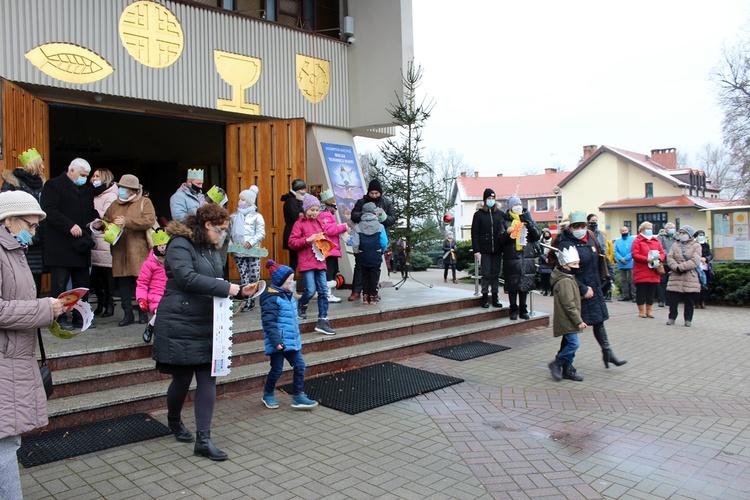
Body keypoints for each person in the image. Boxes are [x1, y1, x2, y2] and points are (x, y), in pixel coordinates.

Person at [153, 203, 259, 461]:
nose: (222, 235)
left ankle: (203, 439)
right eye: (220, 230)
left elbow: (215, 281)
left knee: (208, 377)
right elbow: (186, 278)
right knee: (181, 378)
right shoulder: (180, 244)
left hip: (206, 319)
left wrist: (238, 289)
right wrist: (227, 289)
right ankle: (175, 421)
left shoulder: (210, 249)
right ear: (208, 225)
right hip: (180, 320)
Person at [0, 191, 67, 500]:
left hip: (13, 358)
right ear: (9, 220)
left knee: (8, 442)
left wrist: (50, 310)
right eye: (32, 224)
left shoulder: (14, 250)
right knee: (4, 445)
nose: (35, 230)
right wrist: (43, 309)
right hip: (5, 360)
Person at [556, 211, 626, 369]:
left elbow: (602, 257)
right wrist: (582, 288)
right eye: (576, 226)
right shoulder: (566, 243)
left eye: (582, 226)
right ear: (571, 227)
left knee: (598, 321)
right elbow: (565, 271)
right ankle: (564, 362)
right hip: (578, 291)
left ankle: (607, 353)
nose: (580, 229)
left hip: (595, 287)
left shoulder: (591, 238)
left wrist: (610, 275)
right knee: (572, 327)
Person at [40, 157, 98, 330]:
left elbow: (90, 210)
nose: (85, 179)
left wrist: (97, 221)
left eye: (87, 176)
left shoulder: (86, 191)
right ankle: (59, 318)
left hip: (81, 245)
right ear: (71, 171)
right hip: (61, 245)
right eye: (82, 175)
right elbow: (49, 211)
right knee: (60, 284)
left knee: (82, 284)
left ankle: (81, 317)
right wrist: (69, 226)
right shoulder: (53, 185)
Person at [260, 259, 319, 410]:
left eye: (293, 280)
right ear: (280, 282)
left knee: (300, 366)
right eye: (290, 281)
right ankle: (268, 394)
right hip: (279, 342)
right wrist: (276, 341)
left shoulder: (288, 296)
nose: (293, 284)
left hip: (291, 341)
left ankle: (298, 395)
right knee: (277, 369)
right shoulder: (272, 298)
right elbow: (269, 322)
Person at [101, 174, 156, 327]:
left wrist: (127, 222)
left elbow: (149, 220)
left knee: (141, 282)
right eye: (120, 188)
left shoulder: (145, 202)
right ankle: (127, 314)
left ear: (133, 190)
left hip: (138, 250)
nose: (121, 191)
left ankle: (143, 312)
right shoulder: (114, 204)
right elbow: (106, 219)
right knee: (123, 283)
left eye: (124, 189)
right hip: (119, 250)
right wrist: (102, 225)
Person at [288, 195, 340, 334]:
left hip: (320, 261)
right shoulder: (299, 224)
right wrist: (307, 240)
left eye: (317, 210)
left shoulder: (319, 223)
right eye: (312, 209)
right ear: (305, 209)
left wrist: (325, 242)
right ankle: (302, 304)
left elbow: (326, 236)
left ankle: (323, 319)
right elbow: (292, 242)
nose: (314, 212)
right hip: (306, 262)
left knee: (323, 291)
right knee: (311, 290)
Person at [1, 147, 46, 295]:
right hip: (18, 235)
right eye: (41, 164)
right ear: (34, 165)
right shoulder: (12, 183)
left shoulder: (43, 184)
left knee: (35, 276)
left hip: (38, 236)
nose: (44, 167)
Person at [349, 178, 396, 301]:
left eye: (377, 193)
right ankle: (356, 291)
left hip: (377, 239)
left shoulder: (386, 202)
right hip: (363, 238)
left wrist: (382, 217)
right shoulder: (361, 202)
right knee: (359, 267)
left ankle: (373, 291)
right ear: (368, 192)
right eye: (372, 193)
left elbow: (392, 219)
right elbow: (353, 216)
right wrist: (366, 215)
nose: (374, 196)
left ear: (380, 193)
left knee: (375, 268)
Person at [547, 245, 586, 382]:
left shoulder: (568, 278)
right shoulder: (564, 281)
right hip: (567, 319)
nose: (577, 266)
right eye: (574, 264)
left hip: (569, 318)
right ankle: (557, 363)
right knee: (573, 344)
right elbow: (568, 304)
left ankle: (567, 369)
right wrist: (578, 321)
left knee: (570, 343)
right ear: (565, 265)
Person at [499, 196, 541, 320]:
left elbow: (536, 236)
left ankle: (523, 309)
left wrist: (529, 225)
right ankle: (513, 309)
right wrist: (507, 233)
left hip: (526, 256)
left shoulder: (528, 218)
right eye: (515, 204)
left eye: (519, 204)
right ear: (511, 207)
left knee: (525, 284)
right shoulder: (504, 221)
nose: (518, 206)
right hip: (512, 256)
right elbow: (500, 240)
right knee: (512, 284)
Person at [229, 186, 266, 312]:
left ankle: (253, 298)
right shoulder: (233, 216)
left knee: (254, 276)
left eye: (244, 200)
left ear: (250, 202)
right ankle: (247, 301)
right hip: (238, 251)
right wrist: (230, 245)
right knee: (243, 276)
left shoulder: (257, 216)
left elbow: (261, 233)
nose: (241, 202)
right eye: (240, 199)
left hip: (253, 251)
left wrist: (251, 242)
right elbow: (228, 233)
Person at [89, 168, 118, 317]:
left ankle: (109, 304)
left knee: (107, 273)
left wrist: (91, 211)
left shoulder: (112, 194)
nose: (94, 179)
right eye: (93, 176)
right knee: (95, 275)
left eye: (97, 176)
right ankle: (101, 303)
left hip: (104, 236)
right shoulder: (91, 193)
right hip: (93, 237)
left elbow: (109, 214)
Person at [471, 188, 505, 309]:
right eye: (489, 198)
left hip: (497, 249)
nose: (491, 200)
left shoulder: (500, 214)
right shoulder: (479, 214)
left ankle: (495, 296)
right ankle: (484, 297)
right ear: (485, 200)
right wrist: (477, 250)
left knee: (495, 274)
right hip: (484, 250)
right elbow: (474, 233)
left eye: (492, 198)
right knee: (486, 274)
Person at [136, 228, 169, 343]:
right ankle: (150, 327)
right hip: (155, 297)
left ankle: (153, 327)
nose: (162, 260)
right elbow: (142, 283)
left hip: (169, 294)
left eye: (164, 258)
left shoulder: (172, 263)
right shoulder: (149, 265)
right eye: (160, 258)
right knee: (162, 311)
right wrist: (141, 299)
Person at [317, 189, 350, 303]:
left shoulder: (326, 214)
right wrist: (343, 227)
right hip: (329, 247)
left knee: (332, 270)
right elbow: (329, 230)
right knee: (329, 272)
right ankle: (327, 294)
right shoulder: (325, 215)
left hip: (330, 248)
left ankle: (327, 293)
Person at [665, 225, 702, 327]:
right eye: (680, 233)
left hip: (689, 275)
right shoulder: (675, 245)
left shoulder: (696, 246)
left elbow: (695, 260)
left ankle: (688, 319)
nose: (682, 235)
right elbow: (670, 257)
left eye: (684, 233)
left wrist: (681, 267)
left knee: (689, 300)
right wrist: (675, 267)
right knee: (673, 299)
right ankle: (672, 317)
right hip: (675, 275)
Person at [352, 202, 388, 304]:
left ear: (363, 212)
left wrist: (357, 253)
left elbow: (355, 243)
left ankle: (365, 295)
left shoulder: (358, 227)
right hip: (375, 254)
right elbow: (384, 242)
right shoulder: (380, 226)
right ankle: (373, 296)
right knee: (374, 275)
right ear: (374, 212)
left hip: (363, 254)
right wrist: (381, 250)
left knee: (364, 274)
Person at [631, 221, 665, 319]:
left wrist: (659, 258)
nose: (650, 230)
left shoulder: (655, 241)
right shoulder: (638, 241)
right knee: (641, 291)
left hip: (653, 270)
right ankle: (641, 311)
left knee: (651, 291)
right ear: (642, 229)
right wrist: (646, 259)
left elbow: (662, 252)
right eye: (648, 228)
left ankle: (649, 310)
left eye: (651, 228)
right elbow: (635, 254)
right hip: (641, 270)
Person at [280, 178, 306, 274]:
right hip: (293, 232)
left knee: (294, 259)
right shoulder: (292, 201)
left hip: (293, 231)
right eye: (302, 189)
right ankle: (291, 283)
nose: (304, 192)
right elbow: (296, 217)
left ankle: (292, 283)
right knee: (294, 260)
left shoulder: (293, 200)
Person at [588, 214, 614, 301]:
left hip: (600, 257)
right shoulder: (586, 232)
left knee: (603, 277)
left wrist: (603, 253)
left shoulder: (599, 233)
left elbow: (603, 245)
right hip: (590, 257)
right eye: (592, 220)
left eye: (596, 221)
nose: (594, 222)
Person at [656, 222, 678, 307]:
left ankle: (669, 300)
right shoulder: (660, 237)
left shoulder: (677, 237)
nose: (672, 230)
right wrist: (668, 255)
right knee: (662, 282)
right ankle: (661, 300)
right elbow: (660, 247)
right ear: (666, 229)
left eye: (673, 228)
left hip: (673, 263)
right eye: (670, 228)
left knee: (672, 282)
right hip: (664, 262)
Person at [614, 226, 635, 302]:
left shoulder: (633, 240)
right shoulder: (618, 241)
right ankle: (625, 295)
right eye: (622, 230)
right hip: (621, 263)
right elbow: (615, 251)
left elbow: (634, 250)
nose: (624, 232)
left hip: (631, 262)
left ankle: (634, 296)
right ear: (620, 232)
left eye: (625, 230)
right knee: (623, 280)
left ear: (628, 230)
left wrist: (626, 258)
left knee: (633, 280)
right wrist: (621, 259)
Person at [694, 229, 713, 309]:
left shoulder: (706, 245)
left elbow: (710, 255)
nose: (701, 237)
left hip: (705, 267)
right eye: (700, 235)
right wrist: (699, 258)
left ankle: (703, 301)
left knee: (704, 285)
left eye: (702, 235)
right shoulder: (694, 245)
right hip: (696, 267)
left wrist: (706, 259)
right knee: (697, 285)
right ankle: (696, 302)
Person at [538, 228, 553, 296]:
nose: (547, 236)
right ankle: (544, 290)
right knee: (544, 277)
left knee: (550, 277)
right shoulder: (541, 242)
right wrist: (544, 258)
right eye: (545, 234)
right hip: (543, 262)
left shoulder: (552, 242)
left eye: (548, 234)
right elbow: (539, 252)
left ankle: (550, 290)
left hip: (550, 261)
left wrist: (550, 258)